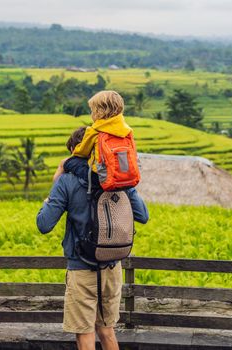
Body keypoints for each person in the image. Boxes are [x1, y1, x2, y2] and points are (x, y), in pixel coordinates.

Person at [36, 127, 149, 350]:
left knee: (85, 334)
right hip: (112, 266)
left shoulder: (66, 182)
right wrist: (127, 185)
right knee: (107, 331)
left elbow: (44, 224)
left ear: (75, 152)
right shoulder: (117, 181)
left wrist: (55, 184)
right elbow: (143, 216)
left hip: (81, 268)